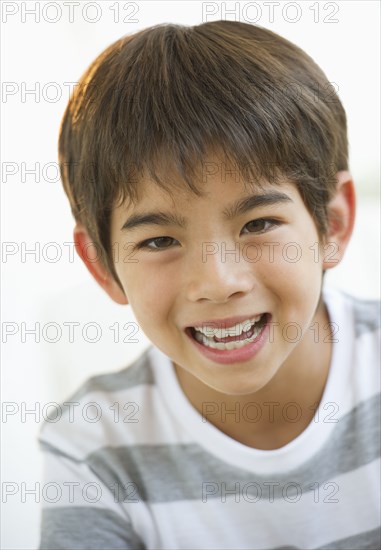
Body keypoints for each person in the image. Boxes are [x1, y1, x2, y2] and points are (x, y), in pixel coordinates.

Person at [38, 20, 380, 549]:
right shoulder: (93, 451)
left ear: (330, 226)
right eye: (157, 241)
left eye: (258, 224)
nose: (218, 283)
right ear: (103, 266)